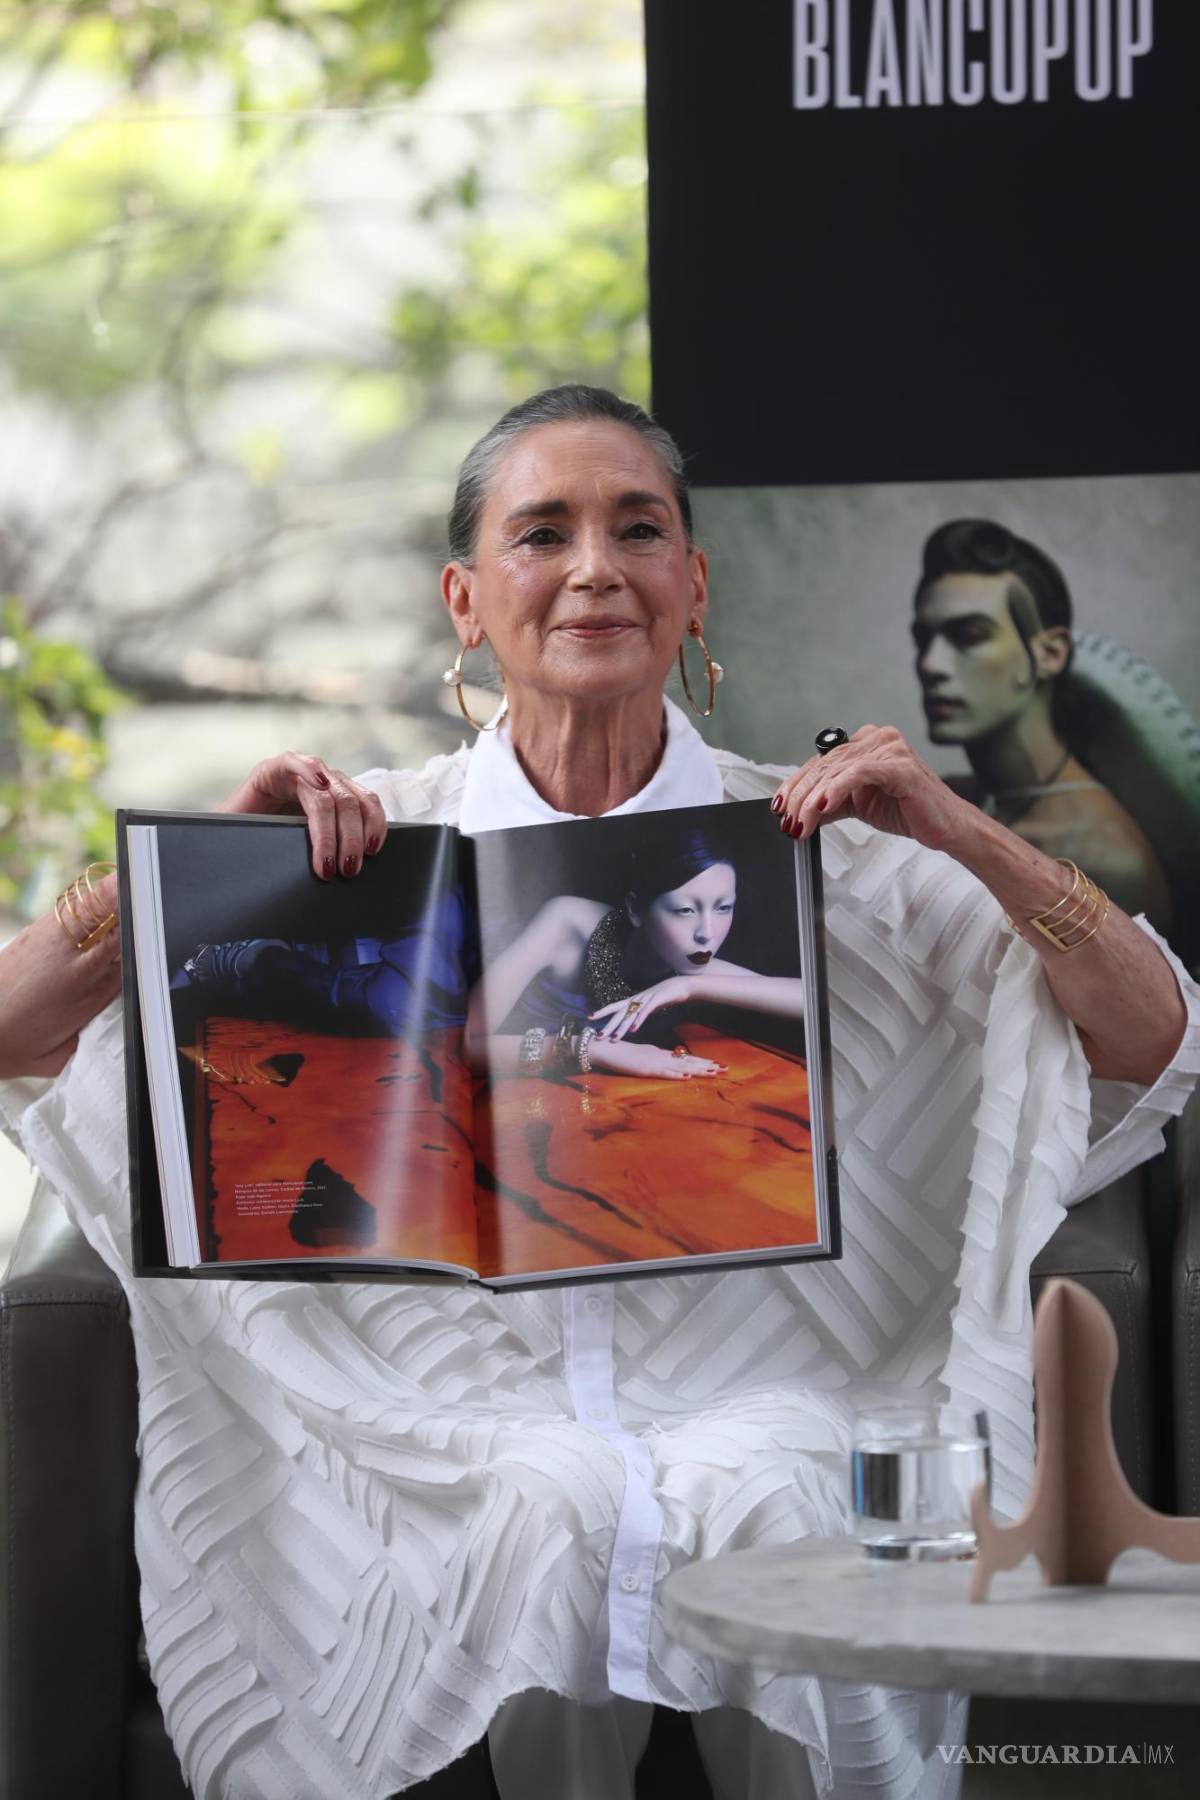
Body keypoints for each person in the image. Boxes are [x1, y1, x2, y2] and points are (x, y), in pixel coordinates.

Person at [0, 384, 1196, 1800]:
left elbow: (1152, 1040)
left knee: (772, 1491)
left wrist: (960, 830)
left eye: (639, 530)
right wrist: (183, 879)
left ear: (691, 585)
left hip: (773, 1398)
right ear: (465, 597)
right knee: (541, 1503)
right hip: (443, 1419)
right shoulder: (360, 845)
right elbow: (17, 1035)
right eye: (542, 533)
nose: (593, 569)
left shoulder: (828, 845)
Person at [912, 518, 1172, 931]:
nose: (930, 665)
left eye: (970, 635)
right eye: (924, 639)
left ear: (1050, 653)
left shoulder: (1106, 861)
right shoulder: (961, 799)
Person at [466, 825, 806, 1081]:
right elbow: (464, 1046)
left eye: (723, 908)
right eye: (685, 910)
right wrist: (594, 1051)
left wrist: (689, 987)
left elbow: (808, 1000)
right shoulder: (567, 922)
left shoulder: (693, 967)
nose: (707, 933)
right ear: (636, 909)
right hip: (502, 1093)